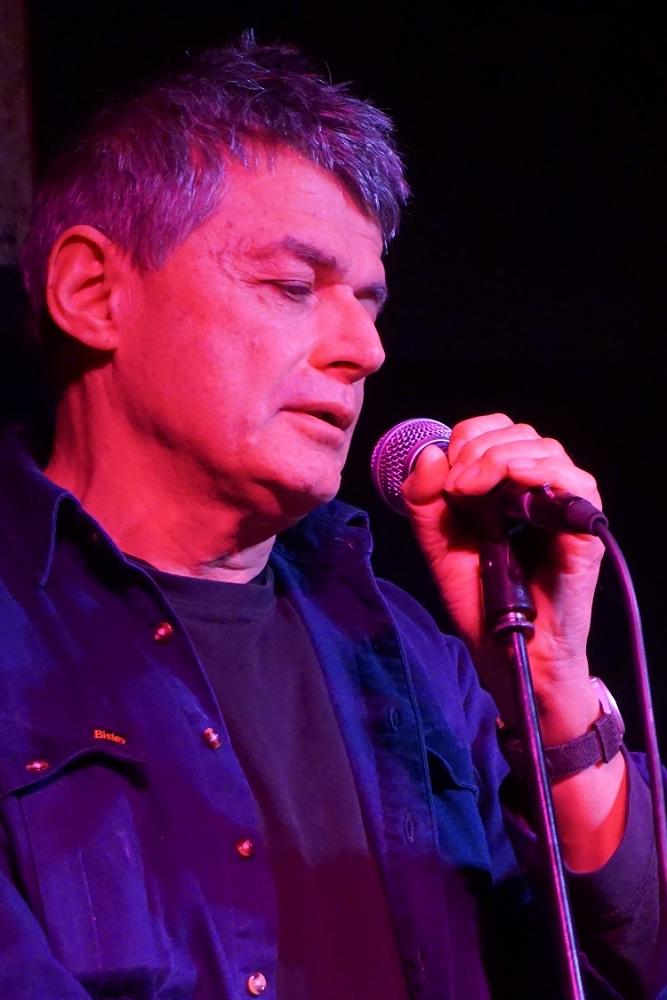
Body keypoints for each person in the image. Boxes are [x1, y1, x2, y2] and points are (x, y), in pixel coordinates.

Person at [1, 34, 663, 999]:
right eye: (292, 286)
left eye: (368, 302)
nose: (365, 349)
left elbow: (626, 970)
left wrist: (551, 689)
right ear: (93, 293)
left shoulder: (409, 653)